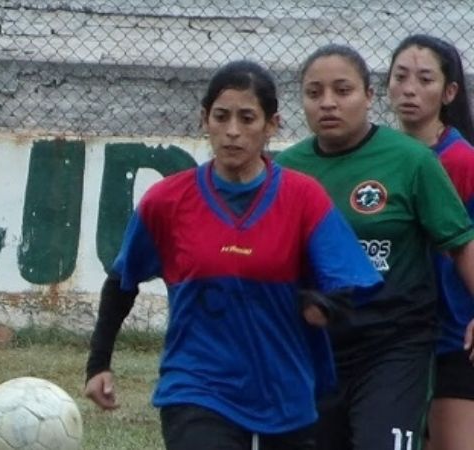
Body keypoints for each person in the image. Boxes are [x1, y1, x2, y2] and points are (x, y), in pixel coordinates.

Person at [84, 60, 382, 450]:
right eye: (221, 117)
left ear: (272, 125)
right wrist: (98, 364)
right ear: (204, 119)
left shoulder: (303, 198)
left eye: (247, 118)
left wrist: (322, 307)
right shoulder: (166, 202)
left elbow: (348, 286)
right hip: (196, 388)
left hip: (284, 392)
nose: (233, 131)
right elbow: (122, 282)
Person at [276, 44, 474, 450]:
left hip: (394, 344)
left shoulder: (412, 161)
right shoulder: (286, 171)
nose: (328, 103)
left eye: (342, 90)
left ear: (368, 96)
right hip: (316, 345)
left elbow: (461, 243)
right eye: (314, 93)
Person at [387, 34, 474, 450]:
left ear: (449, 91)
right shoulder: (381, 157)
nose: (410, 89)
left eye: (424, 79)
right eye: (400, 77)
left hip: (452, 336)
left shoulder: (461, 161)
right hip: (394, 336)